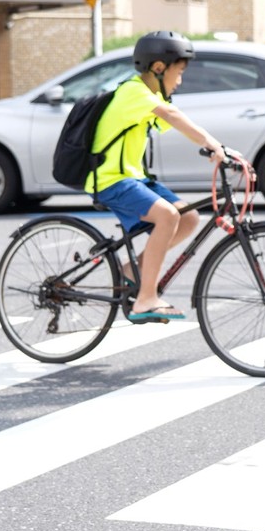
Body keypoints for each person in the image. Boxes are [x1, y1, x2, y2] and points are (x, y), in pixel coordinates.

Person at [87, 30, 230, 323]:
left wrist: (223, 149)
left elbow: (176, 121)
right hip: (110, 179)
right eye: (179, 72)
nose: (180, 81)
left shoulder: (149, 96)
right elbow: (172, 116)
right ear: (159, 67)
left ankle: (133, 270)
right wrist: (214, 145)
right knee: (167, 216)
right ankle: (145, 299)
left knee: (188, 217)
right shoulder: (133, 92)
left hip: (133, 178)